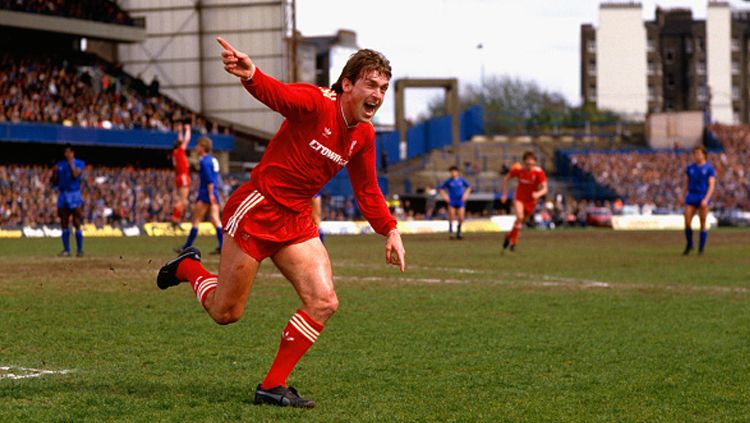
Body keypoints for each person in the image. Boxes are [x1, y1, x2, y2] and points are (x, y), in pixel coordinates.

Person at [157, 37, 406, 408]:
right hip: (257, 210)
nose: (378, 94)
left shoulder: (364, 135)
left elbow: (368, 189)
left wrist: (391, 229)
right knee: (226, 313)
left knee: (323, 301)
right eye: (371, 84)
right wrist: (252, 74)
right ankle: (189, 268)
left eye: (384, 88)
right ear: (348, 84)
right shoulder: (316, 103)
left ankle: (272, 385)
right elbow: (280, 95)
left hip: (296, 221)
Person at [176, 137, 223, 254]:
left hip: (206, 194)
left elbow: (209, 179)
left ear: (203, 147)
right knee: (216, 220)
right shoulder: (213, 160)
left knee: (196, 220)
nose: (196, 148)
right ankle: (223, 246)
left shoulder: (204, 161)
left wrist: (210, 194)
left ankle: (186, 247)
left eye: (197, 146)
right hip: (214, 192)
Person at [500, 151, 547, 252]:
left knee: (520, 222)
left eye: (532, 164)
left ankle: (509, 237)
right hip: (519, 199)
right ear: (524, 162)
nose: (530, 166)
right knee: (520, 217)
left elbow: (545, 188)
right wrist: (504, 194)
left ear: (535, 163)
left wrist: (538, 194)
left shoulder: (538, 172)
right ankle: (514, 244)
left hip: (531, 201)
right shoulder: (518, 170)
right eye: (527, 163)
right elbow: (506, 178)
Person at [52, 144, 85, 257]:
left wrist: (71, 163)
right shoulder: (60, 165)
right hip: (63, 194)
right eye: (66, 152)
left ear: (73, 153)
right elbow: (54, 182)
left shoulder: (80, 163)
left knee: (76, 221)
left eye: (69, 152)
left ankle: (80, 250)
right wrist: (54, 172)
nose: (67, 154)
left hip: (74, 194)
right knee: (64, 222)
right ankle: (67, 250)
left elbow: (75, 175)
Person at [682, 145, 716, 255]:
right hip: (691, 196)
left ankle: (701, 248)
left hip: (702, 196)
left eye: (699, 153)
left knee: (702, 223)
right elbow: (686, 184)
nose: (696, 155)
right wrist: (683, 196)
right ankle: (690, 244)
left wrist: (706, 199)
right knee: (687, 221)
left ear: (704, 155)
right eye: (695, 153)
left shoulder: (709, 168)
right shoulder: (690, 168)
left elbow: (711, 186)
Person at [438, 166, 471, 239]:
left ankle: (459, 231)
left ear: (457, 172)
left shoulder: (462, 180)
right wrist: (445, 196)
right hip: (452, 200)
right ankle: (451, 232)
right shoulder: (449, 181)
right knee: (451, 216)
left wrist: (466, 194)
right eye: (451, 172)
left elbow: (469, 187)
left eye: (454, 171)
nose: (453, 173)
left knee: (461, 217)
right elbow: (440, 188)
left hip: (460, 200)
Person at [170, 123, 191, 228]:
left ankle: (176, 219)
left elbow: (181, 140)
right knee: (183, 201)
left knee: (182, 201)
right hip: (183, 176)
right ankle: (175, 220)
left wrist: (179, 131)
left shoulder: (175, 153)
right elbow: (186, 140)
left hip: (179, 177)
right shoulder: (179, 151)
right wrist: (188, 129)